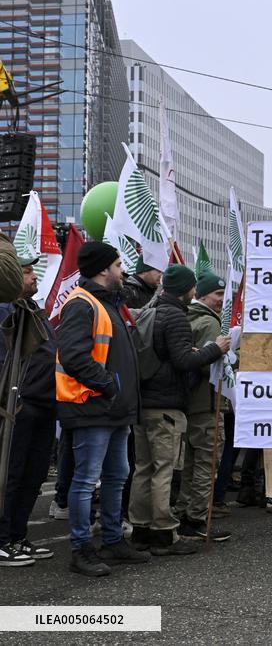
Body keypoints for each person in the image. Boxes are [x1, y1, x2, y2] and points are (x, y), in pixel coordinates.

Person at [57, 242, 148, 576]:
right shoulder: (83, 304)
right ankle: (81, 549)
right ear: (103, 269)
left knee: (116, 476)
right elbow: (73, 354)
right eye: (118, 263)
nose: (123, 270)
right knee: (86, 481)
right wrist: (109, 385)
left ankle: (112, 541)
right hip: (92, 406)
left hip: (111, 409)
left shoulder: (106, 303)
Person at [129, 265, 229, 553]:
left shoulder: (151, 311)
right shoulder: (175, 316)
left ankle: (140, 528)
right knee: (163, 470)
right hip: (166, 406)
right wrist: (215, 349)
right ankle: (163, 532)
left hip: (145, 402)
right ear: (187, 289)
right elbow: (184, 360)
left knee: (143, 469)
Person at [0, 255, 57, 567]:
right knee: (11, 474)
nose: (33, 277)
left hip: (44, 402)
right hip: (18, 405)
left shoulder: (32, 309)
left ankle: (18, 535)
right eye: (26, 272)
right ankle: (3, 538)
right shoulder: (5, 310)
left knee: (33, 475)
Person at [176, 272, 232, 540]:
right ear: (203, 294)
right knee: (207, 464)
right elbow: (211, 364)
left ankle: (185, 513)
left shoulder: (187, 317)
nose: (221, 300)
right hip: (207, 403)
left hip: (190, 404)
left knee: (191, 463)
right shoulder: (209, 323)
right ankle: (197, 518)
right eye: (218, 295)